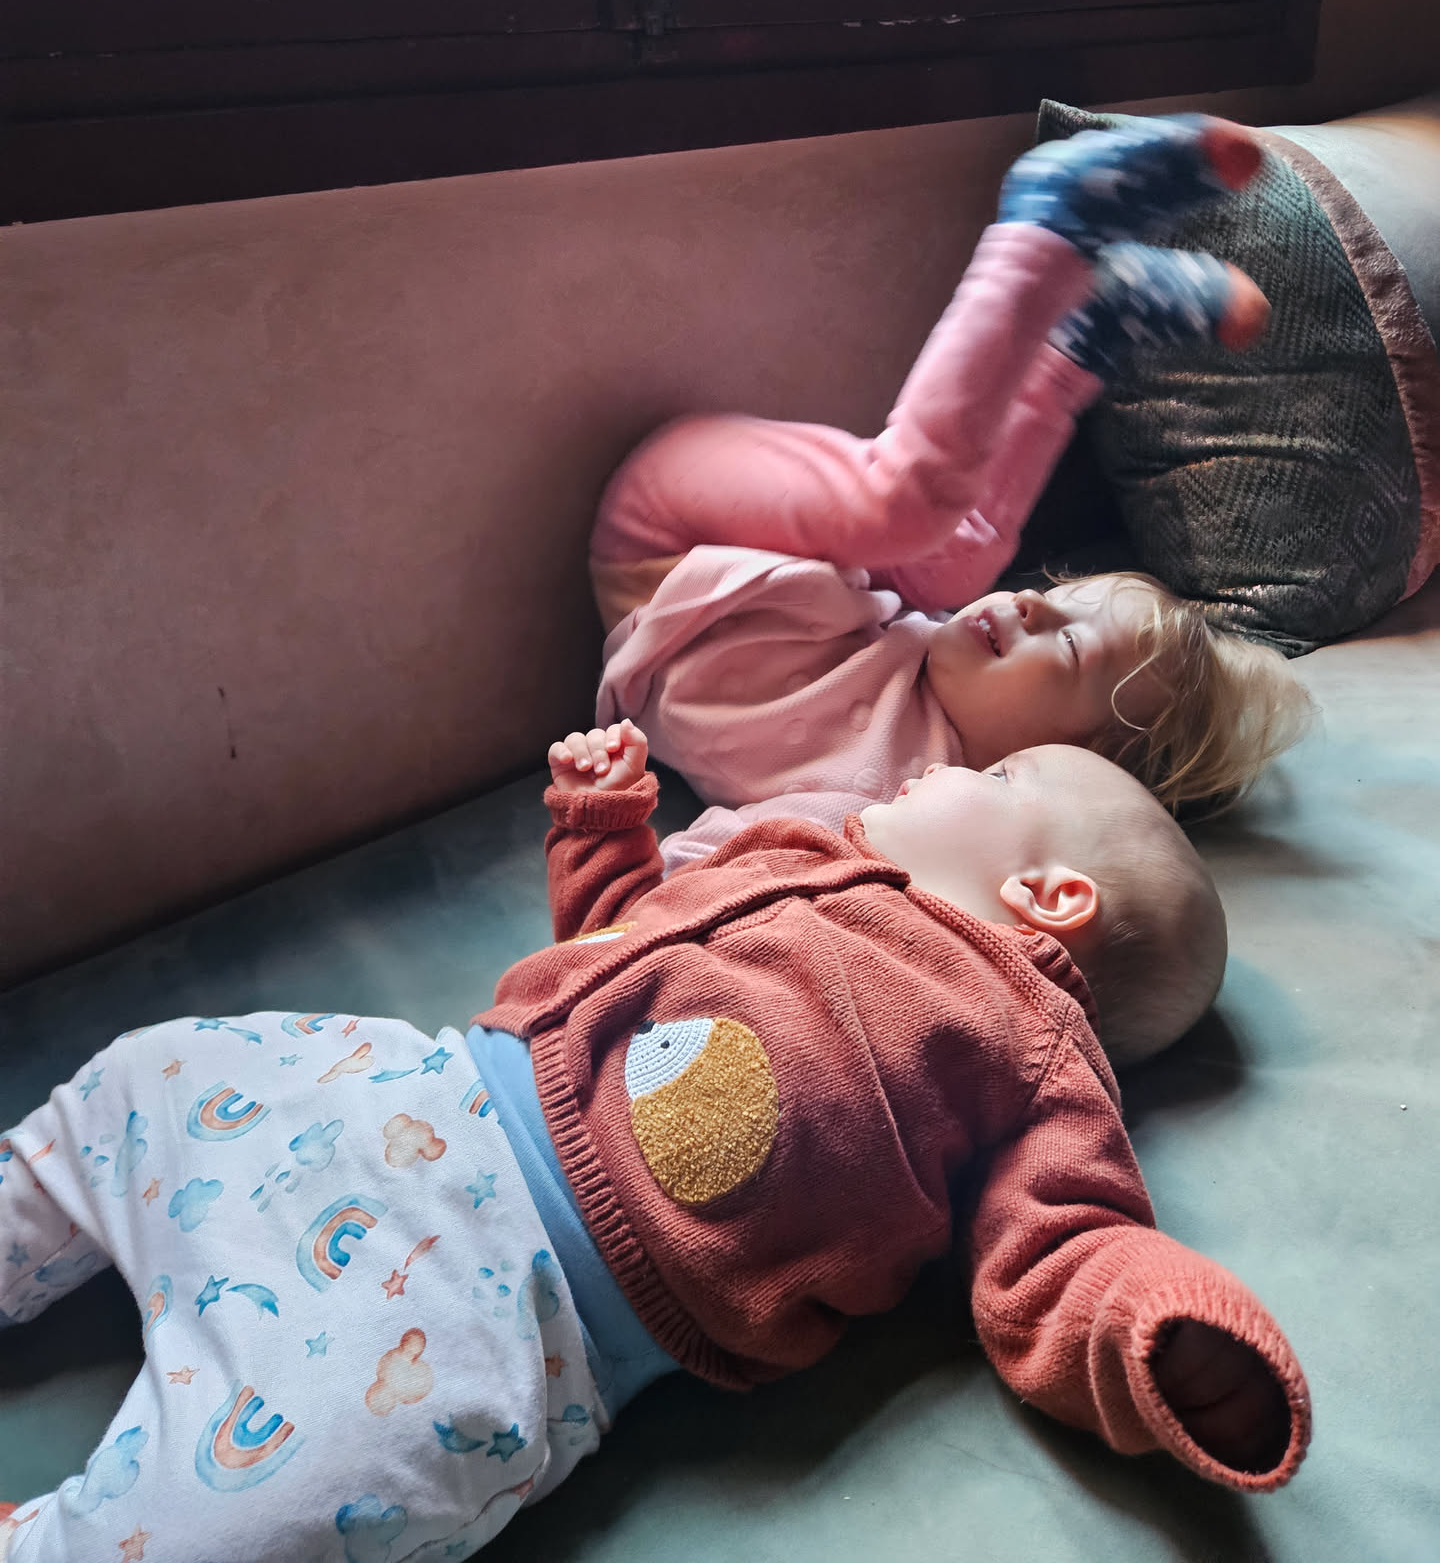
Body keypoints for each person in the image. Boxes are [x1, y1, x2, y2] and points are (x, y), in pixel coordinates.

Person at [0, 722, 1308, 1560]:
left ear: (1051, 893)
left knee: (292, 1501)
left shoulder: (1033, 1061)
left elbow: (1065, 1253)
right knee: (151, 1077)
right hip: (416, 1090)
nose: (944, 766)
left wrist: (1164, 1332)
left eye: (998, 775)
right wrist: (601, 829)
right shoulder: (790, 849)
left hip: (508, 1317)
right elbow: (619, 936)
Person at [588, 116, 1312, 829]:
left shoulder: (897, 810)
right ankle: (1065, 283)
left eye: (1068, 644)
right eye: (1056, 598)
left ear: (1074, 761)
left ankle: (1074, 292)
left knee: (928, 534)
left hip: (663, 555)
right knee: (941, 546)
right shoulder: (930, 670)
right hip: (713, 520)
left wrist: (604, 814)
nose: (1030, 606)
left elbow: (728, 862)